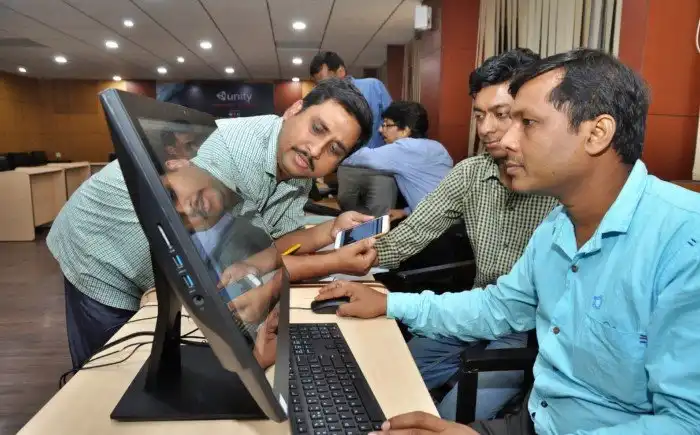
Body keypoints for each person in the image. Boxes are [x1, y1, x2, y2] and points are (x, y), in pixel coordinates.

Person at [321, 48, 700, 435]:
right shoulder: (558, 226)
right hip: (540, 419)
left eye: (526, 122)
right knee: (376, 392)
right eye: (488, 116)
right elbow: (497, 305)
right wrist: (390, 302)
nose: (502, 137)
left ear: (597, 133)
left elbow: (686, 422)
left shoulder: (686, 240)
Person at [48, 78, 379, 370]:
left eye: (334, 149)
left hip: (158, 258)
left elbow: (273, 247)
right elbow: (219, 258)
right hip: (100, 245)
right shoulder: (238, 150)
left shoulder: (296, 170)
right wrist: (328, 263)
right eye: (317, 128)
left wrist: (331, 229)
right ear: (294, 110)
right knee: (109, 369)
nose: (315, 150)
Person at [361, 49, 559, 420]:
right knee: (378, 383)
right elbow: (410, 235)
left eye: (500, 114)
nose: (485, 129)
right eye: (479, 115)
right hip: (472, 311)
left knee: (447, 420)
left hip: (530, 331)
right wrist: (345, 258)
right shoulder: (471, 173)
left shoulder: (560, 186)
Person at [310, 51, 397, 216]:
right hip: (348, 167)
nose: (324, 87)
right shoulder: (326, 99)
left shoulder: (372, 86)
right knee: (349, 214)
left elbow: (394, 122)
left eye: (327, 80)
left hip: (379, 167)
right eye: (319, 83)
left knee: (380, 216)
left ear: (341, 71)